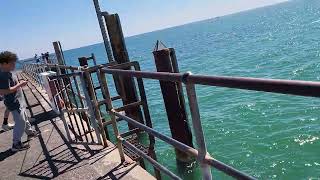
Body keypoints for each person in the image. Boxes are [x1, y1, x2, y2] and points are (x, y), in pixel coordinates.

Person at [0, 51, 39, 151]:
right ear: (4, 63)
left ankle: (30, 132)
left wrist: (18, 83)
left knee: (24, 118)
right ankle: (16, 144)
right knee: (20, 122)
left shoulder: (8, 72)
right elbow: (4, 91)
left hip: (18, 101)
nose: (14, 65)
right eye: (12, 63)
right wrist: (20, 85)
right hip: (14, 103)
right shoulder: (3, 75)